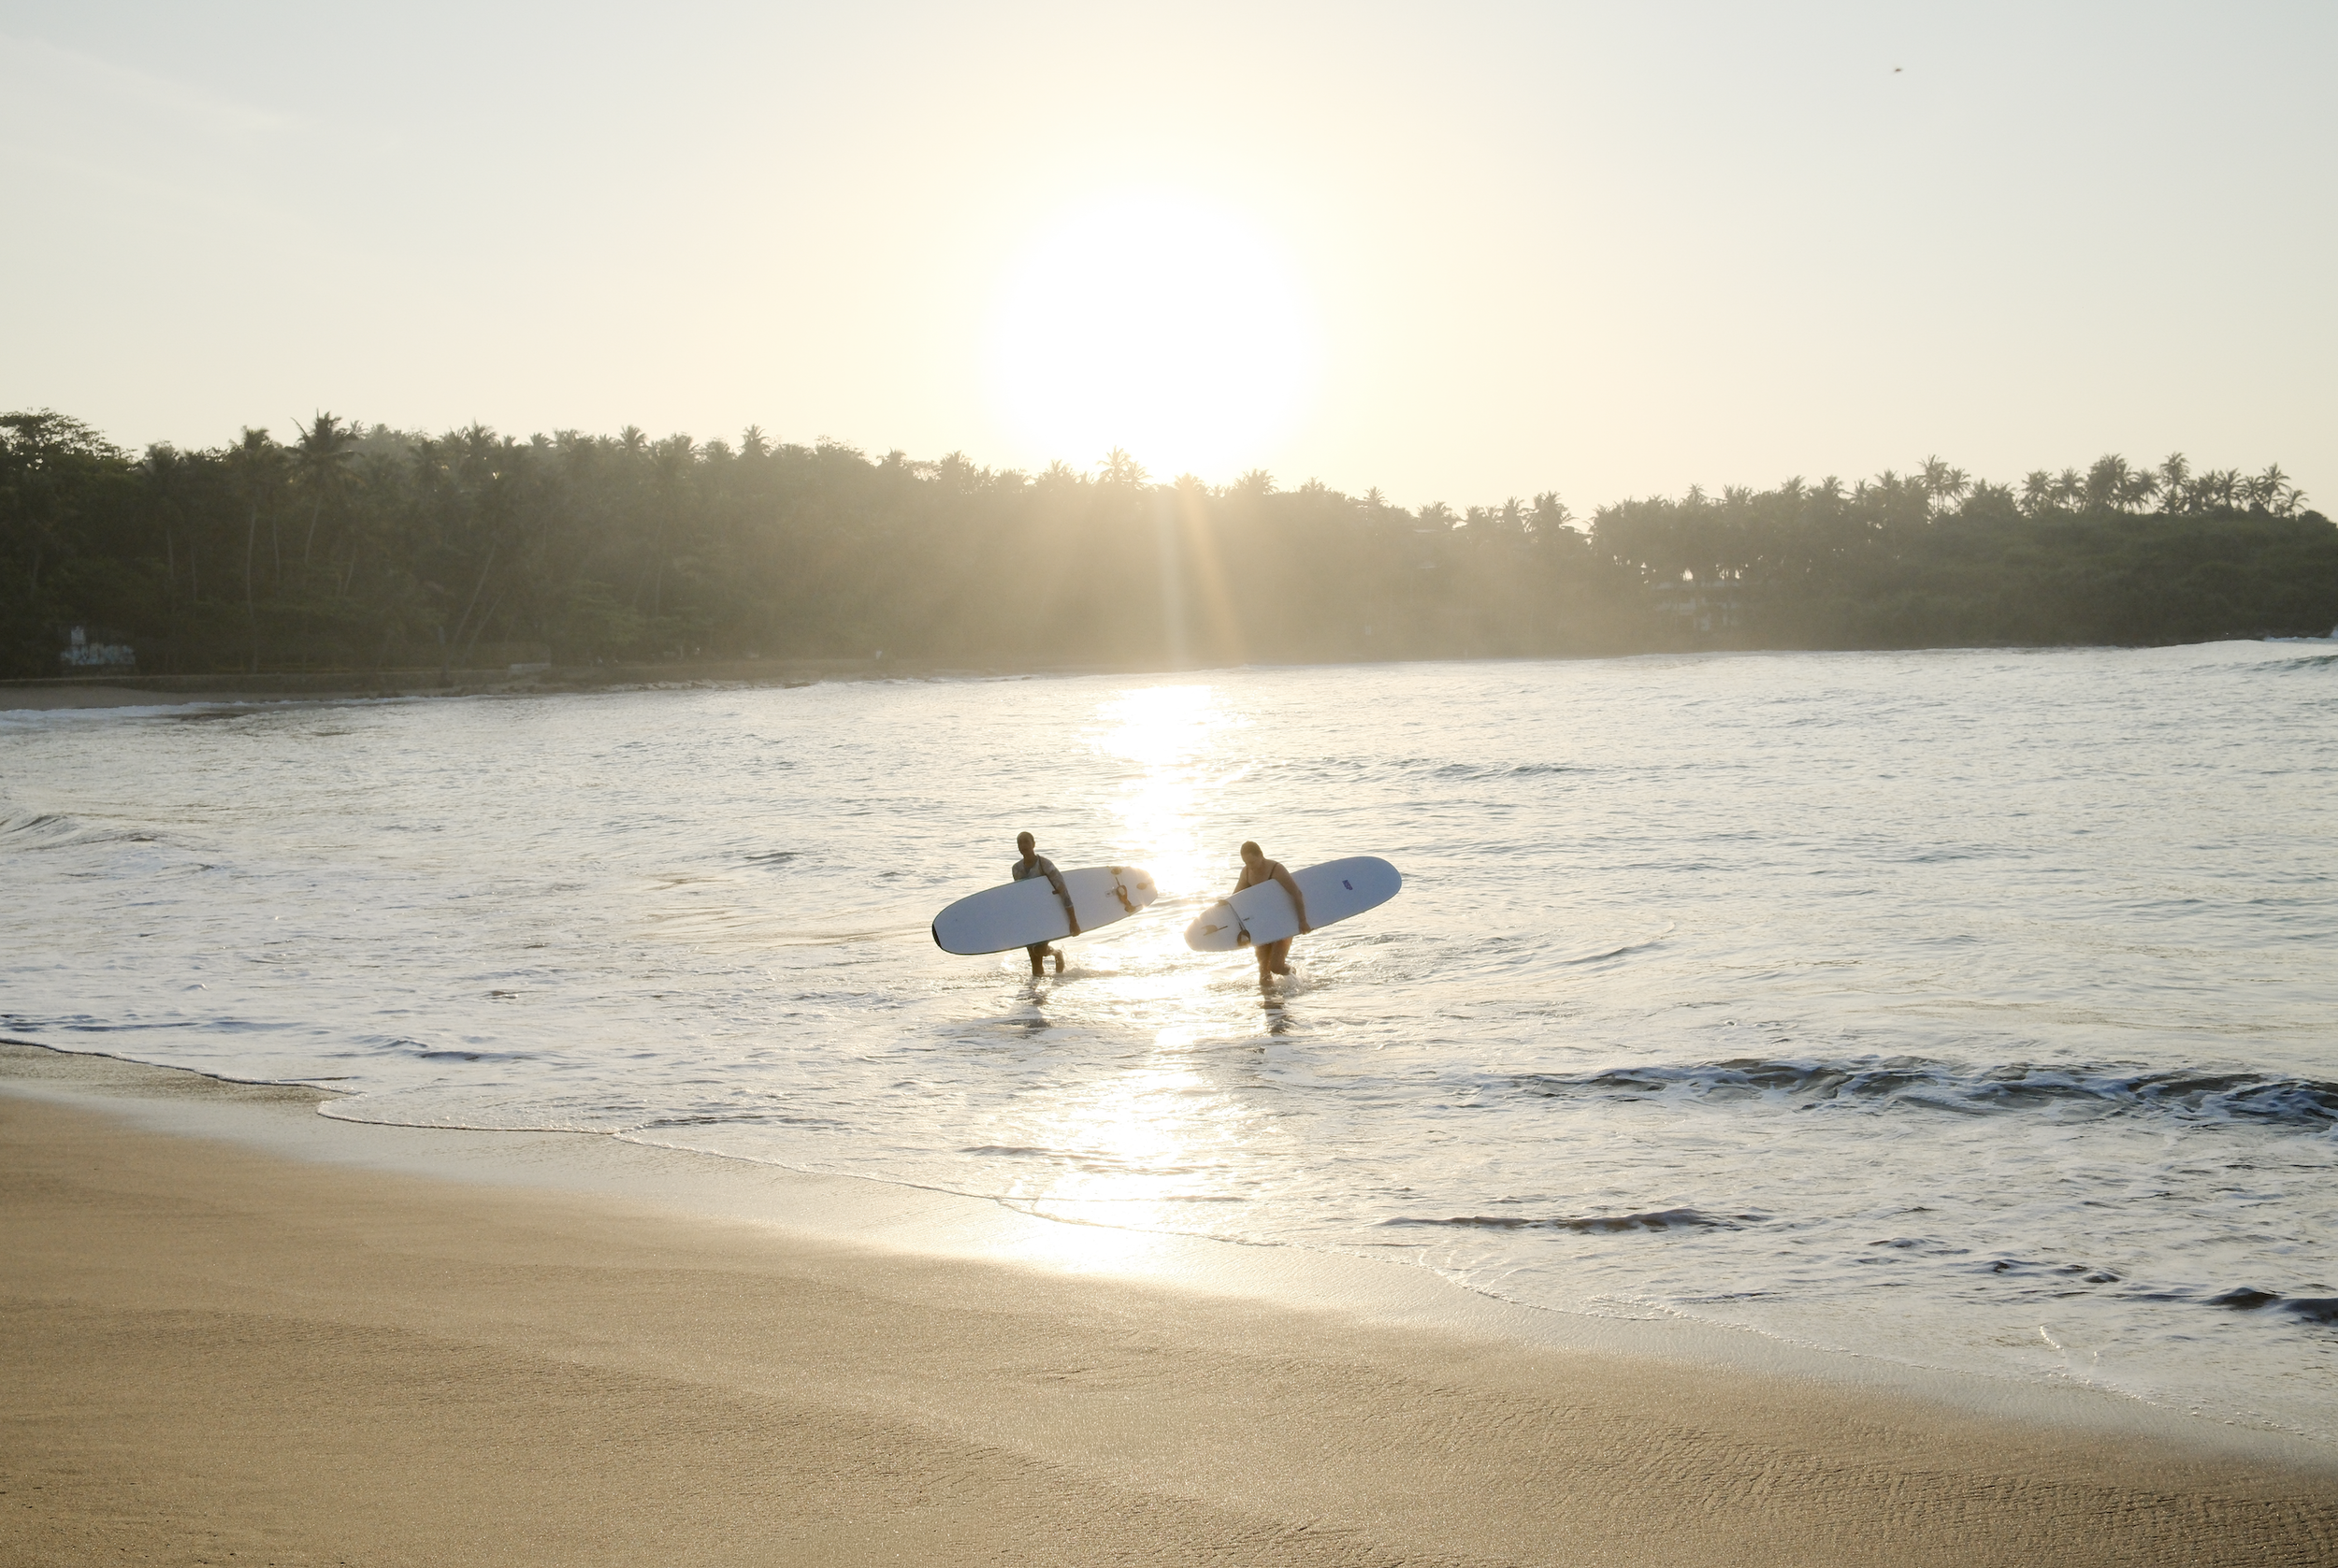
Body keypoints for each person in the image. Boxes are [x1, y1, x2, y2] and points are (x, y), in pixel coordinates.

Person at [1233, 840, 1310, 978]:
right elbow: (1236, 897)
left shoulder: (1276, 869)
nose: (1249, 866)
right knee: (1263, 973)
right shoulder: (1246, 872)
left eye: (1252, 862)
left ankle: (1292, 973)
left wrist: (1302, 921)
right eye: (1246, 863)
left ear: (1261, 855)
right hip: (1263, 924)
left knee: (1276, 967)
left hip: (1283, 923)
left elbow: (1296, 893)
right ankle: (1270, 999)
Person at [1012, 831, 1079, 976]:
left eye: (1026, 842)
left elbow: (1063, 891)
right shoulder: (1016, 869)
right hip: (1029, 918)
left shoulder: (1044, 865)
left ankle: (1056, 953)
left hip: (1046, 915)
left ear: (1033, 844)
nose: (1023, 845)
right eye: (1020, 843)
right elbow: (1019, 897)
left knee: (1039, 950)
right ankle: (1036, 997)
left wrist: (1073, 921)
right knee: (1035, 964)